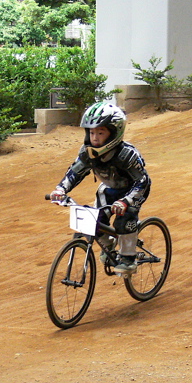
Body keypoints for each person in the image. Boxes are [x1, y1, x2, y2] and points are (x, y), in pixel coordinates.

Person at [49, 102, 151, 275]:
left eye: (101, 132)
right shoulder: (87, 152)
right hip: (108, 190)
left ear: (114, 133)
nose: (95, 137)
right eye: (92, 132)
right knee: (93, 221)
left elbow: (142, 181)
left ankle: (128, 258)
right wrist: (61, 189)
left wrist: (126, 202)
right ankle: (109, 244)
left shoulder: (126, 155)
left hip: (132, 191)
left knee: (124, 222)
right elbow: (75, 172)